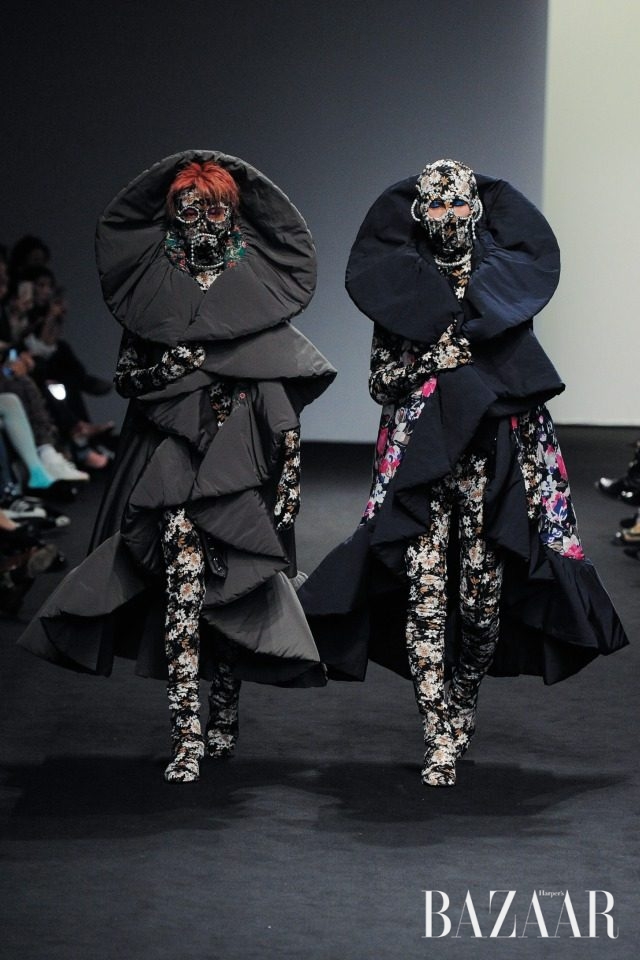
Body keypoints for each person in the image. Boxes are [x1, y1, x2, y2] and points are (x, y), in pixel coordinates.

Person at [299, 158, 628, 787]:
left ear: (476, 211)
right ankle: (437, 734)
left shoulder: (505, 286)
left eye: (458, 204)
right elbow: (381, 383)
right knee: (424, 598)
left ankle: (462, 704)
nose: (448, 216)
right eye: (436, 204)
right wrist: (432, 358)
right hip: (421, 464)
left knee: (480, 609)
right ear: (418, 213)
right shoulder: (398, 286)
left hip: (490, 465)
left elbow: (519, 378)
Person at [19, 151, 335, 783]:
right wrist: (166, 369)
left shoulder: (258, 294)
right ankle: (188, 735)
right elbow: (127, 378)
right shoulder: (154, 297)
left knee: (236, 592)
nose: (202, 223)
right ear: (171, 221)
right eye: (189, 212)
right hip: (174, 459)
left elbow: (276, 387)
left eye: (214, 210)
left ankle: (223, 716)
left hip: (242, 463)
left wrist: (290, 472)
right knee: (184, 593)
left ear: (234, 216)